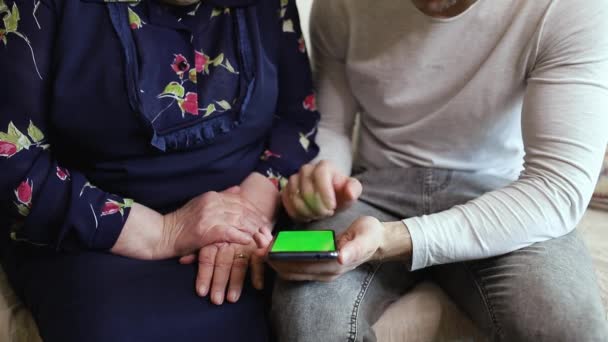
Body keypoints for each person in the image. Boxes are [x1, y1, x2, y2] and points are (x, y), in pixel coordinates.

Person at [271, 0, 608, 341]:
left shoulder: (570, 7)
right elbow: (333, 125)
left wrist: (397, 239)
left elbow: (557, 187)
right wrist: (328, 175)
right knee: (306, 323)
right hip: (374, 188)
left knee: (570, 328)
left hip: (503, 196)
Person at [0, 0, 319, 341]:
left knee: (312, 308)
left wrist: (245, 217)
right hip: (96, 240)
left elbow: (297, 119)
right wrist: (166, 232)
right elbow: (12, 164)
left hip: (249, 228)